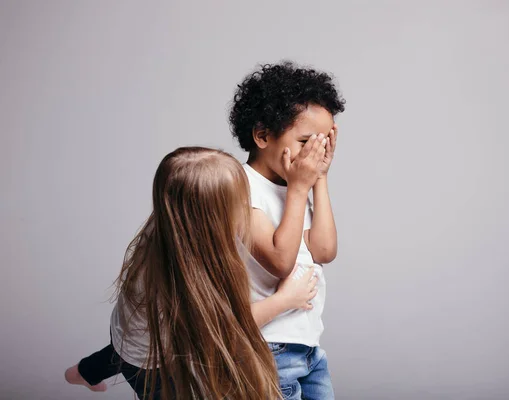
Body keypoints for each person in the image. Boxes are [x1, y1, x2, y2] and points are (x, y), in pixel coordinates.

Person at [65, 146, 319, 399]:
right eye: (238, 203)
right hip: (151, 361)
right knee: (130, 361)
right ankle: (84, 372)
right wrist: (285, 300)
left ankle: (82, 373)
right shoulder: (176, 276)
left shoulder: (174, 222)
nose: (246, 209)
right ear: (207, 217)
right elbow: (226, 329)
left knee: (117, 353)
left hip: (127, 328)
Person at [229, 61, 346, 399]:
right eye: (306, 140)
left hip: (307, 343)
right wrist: (298, 189)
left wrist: (319, 179)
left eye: (323, 143)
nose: (315, 151)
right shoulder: (239, 185)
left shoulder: (295, 182)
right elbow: (280, 260)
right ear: (263, 135)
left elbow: (323, 251)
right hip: (267, 345)